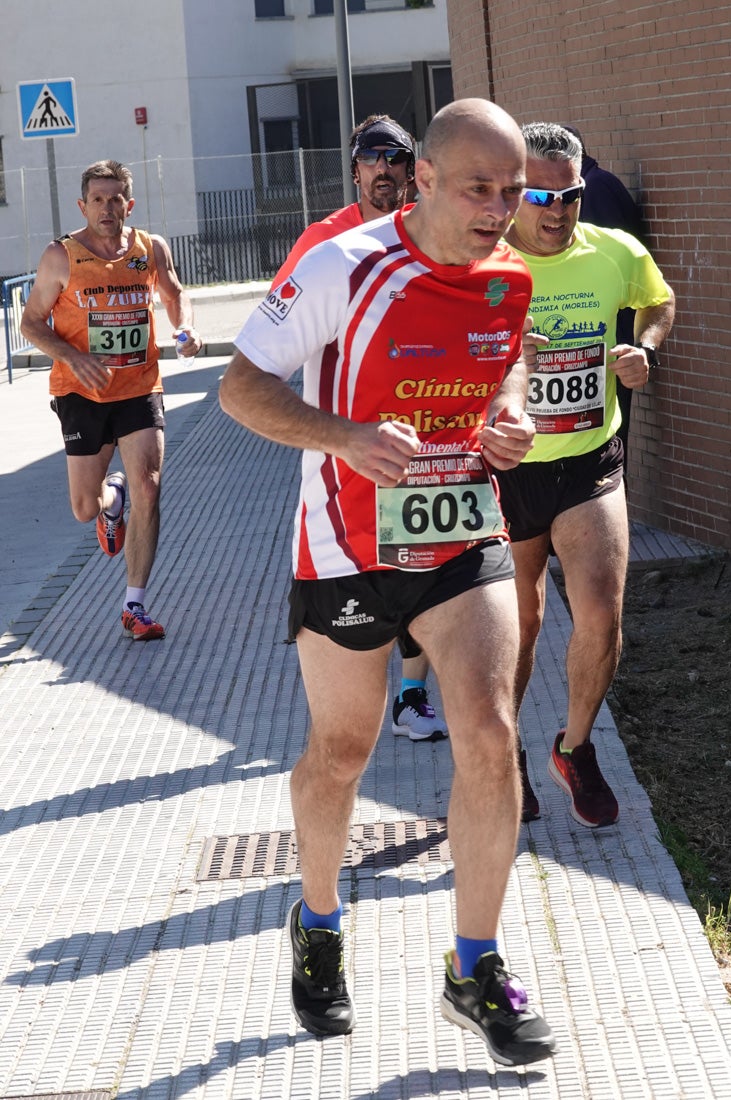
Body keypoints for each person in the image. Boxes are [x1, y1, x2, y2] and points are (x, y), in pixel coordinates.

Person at [220, 98, 557, 1066]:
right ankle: (319, 923)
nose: (500, 209)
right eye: (479, 189)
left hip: (459, 533)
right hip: (347, 545)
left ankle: (474, 962)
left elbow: (505, 370)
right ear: (425, 182)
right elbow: (245, 386)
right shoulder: (343, 266)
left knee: (490, 734)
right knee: (341, 750)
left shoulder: (508, 275)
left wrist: (508, 418)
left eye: (513, 191)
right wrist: (345, 438)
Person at [499, 122, 675, 827]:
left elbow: (656, 301)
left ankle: (573, 747)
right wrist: (505, 365)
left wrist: (646, 349)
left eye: (567, 194)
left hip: (589, 461)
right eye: (538, 194)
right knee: (522, 623)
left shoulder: (614, 253)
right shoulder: (480, 269)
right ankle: (500, 747)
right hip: (506, 471)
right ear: (513, 193)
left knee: (600, 615)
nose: (555, 209)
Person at [273, 113, 446, 742]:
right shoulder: (323, 242)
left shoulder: (436, 230)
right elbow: (275, 340)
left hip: (426, 431)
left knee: (421, 555)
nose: (384, 168)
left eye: (395, 157)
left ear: (413, 169)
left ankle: (411, 694)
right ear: (354, 171)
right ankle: (356, 701)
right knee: (368, 571)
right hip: (348, 441)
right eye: (371, 158)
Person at [20, 159, 202, 640]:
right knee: (84, 507)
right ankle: (109, 498)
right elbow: (31, 322)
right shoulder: (61, 257)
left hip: (140, 388)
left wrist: (185, 328)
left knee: (151, 487)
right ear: (83, 205)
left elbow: (174, 292)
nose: (107, 207)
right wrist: (69, 356)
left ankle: (134, 606)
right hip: (81, 393)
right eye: (97, 199)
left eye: (114, 198)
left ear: (129, 203)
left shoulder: (149, 249)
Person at [562, 124, 647, 466]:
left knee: (607, 444)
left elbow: (614, 265)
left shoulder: (595, 189)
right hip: (605, 336)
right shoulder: (595, 185)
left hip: (612, 336)